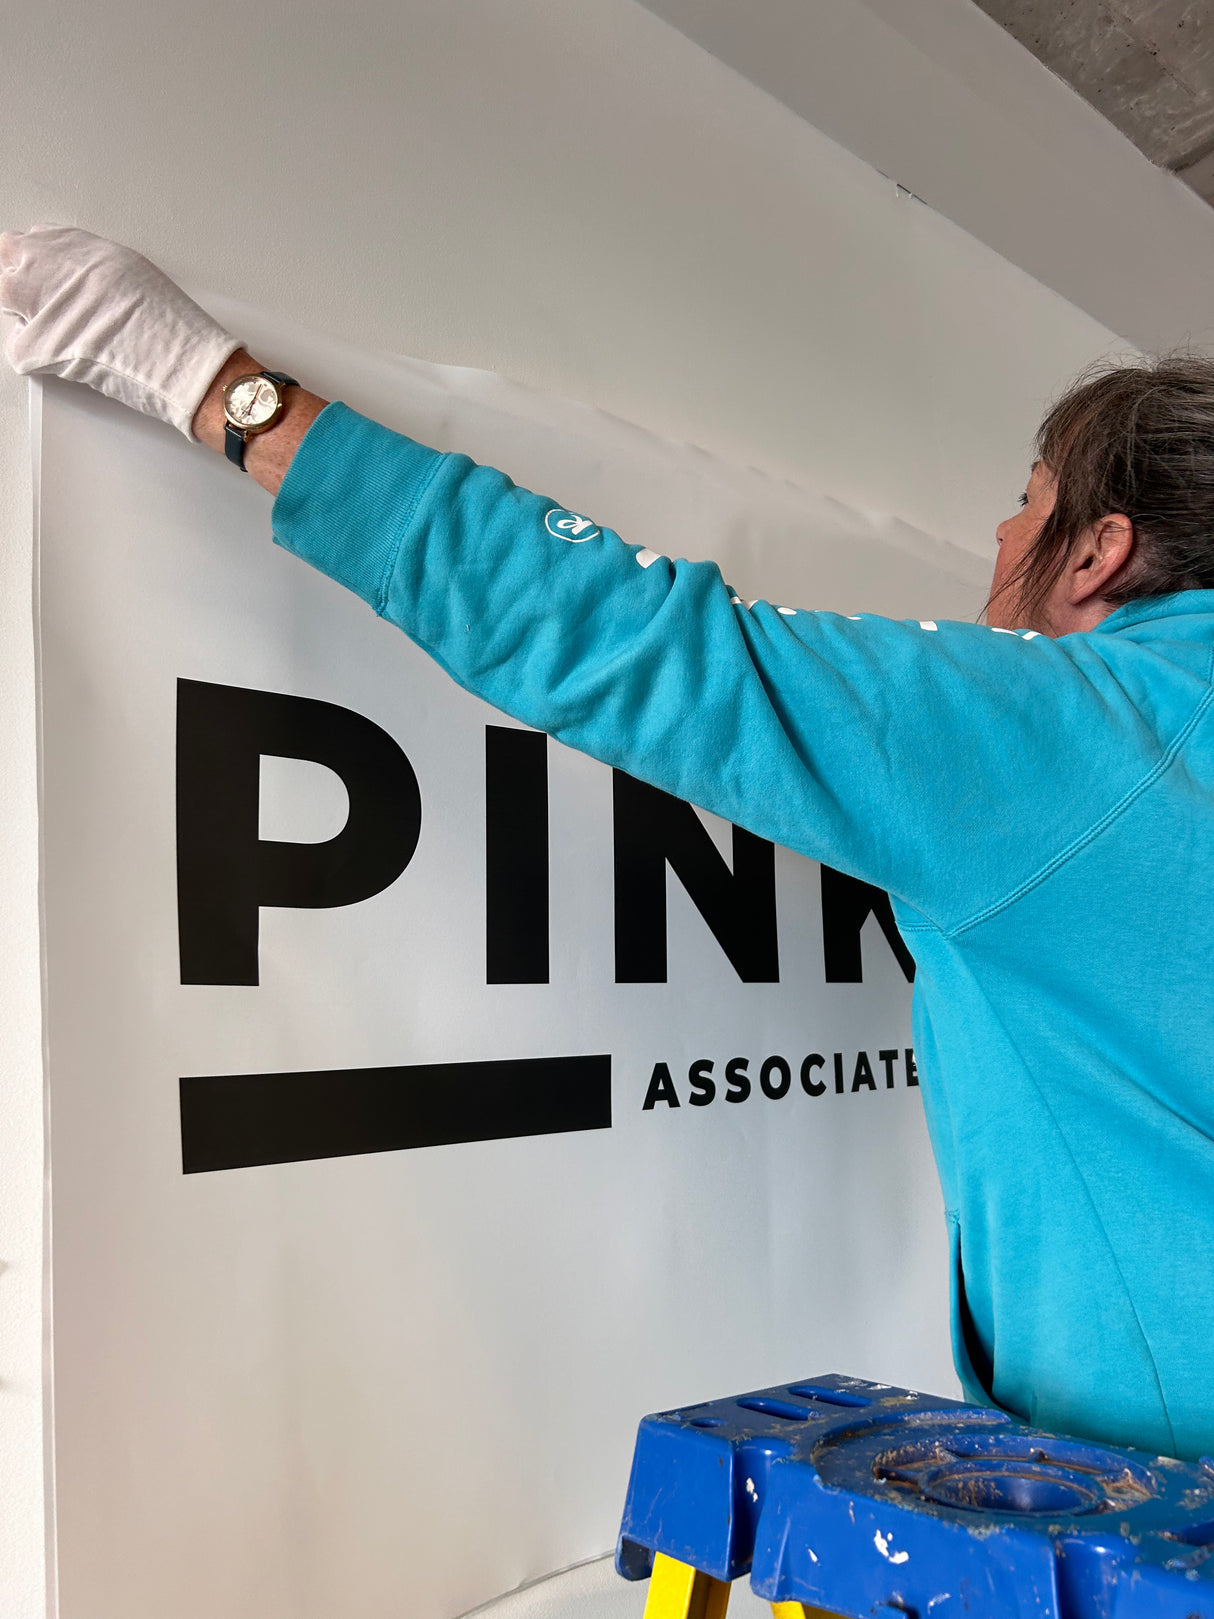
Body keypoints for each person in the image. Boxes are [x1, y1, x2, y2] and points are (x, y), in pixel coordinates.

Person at [3, 225, 1212, 1461]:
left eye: (1021, 511)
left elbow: (637, 641)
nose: (997, 547)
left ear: (1097, 550)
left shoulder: (1081, 727)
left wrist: (221, 392)